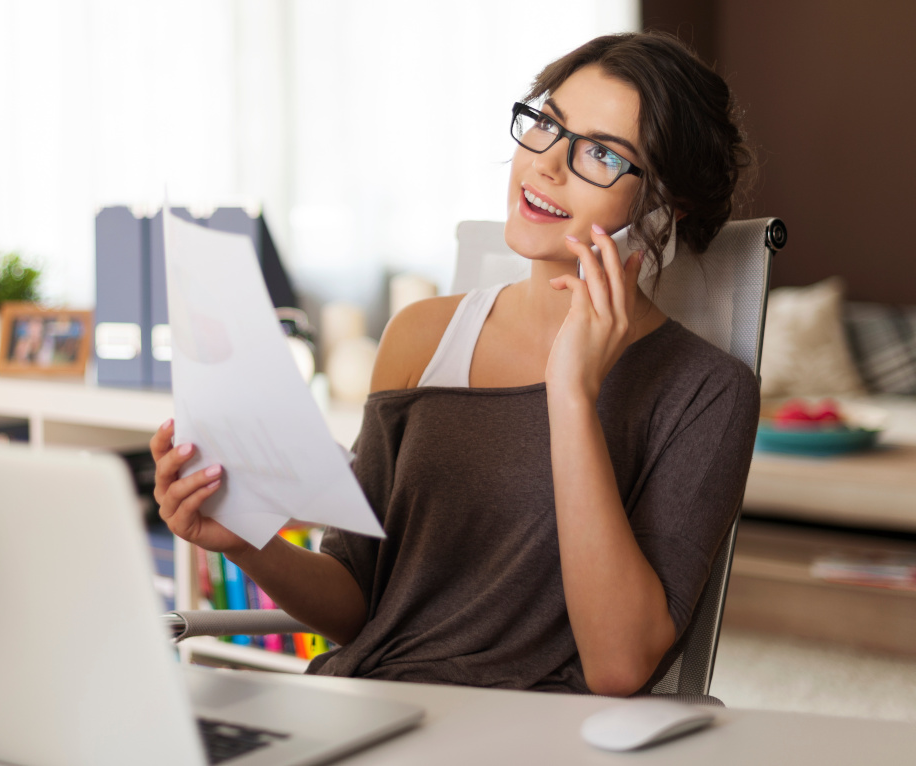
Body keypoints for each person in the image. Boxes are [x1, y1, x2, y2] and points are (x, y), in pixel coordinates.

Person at [150, 31, 759, 697]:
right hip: (369, 706)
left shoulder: (708, 391)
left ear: (669, 206)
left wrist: (572, 394)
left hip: (531, 735)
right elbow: (357, 605)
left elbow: (619, 666)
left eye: (602, 155)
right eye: (547, 125)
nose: (547, 166)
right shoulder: (420, 336)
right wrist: (240, 539)